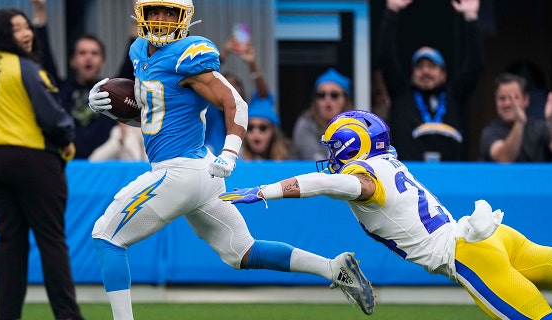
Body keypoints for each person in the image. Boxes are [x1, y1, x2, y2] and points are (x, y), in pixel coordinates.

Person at [86, 1, 375, 319]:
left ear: (185, 18)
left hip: (180, 172)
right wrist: (114, 111)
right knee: (243, 252)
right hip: (200, 175)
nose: (163, 19)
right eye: (156, 10)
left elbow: (235, 102)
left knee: (106, 237)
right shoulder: (140, 51)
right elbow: (157, 119)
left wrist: (230, 151)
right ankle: (334, 268)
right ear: (142, 13)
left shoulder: (188, 54)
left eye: (171, 12)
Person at [220, 109, 552, 320]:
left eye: (332, 148)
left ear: (349, 146)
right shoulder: (388, 162)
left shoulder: (365, 180)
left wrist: (266, 190)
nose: (329, 156)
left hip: (472, 255)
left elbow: (324, 182)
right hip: (495, 236)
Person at [0, 8, 83, 320]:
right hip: (32, 160)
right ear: (3, 35)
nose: (27, 34)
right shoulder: (25, 67)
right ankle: (68, 316)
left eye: (27, 27)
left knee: (9, 242)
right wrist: (67, 135)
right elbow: (53, 116)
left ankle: (6, 315)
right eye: (17, 29)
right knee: (51, 240)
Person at [377, 0, 484, 161]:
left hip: (453, 177)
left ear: (443, 74)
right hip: (407, 177)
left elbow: (475, 65)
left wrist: (471, 18)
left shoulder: (455, 96)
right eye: (420, 67)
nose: (425, 71)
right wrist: (391, 12)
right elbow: (386, 58)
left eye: (432, 66)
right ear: (412, 73)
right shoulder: (401, 94)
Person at [31, 0, 120, 159]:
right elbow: (43, 55)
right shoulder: (60, 89)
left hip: (105, 167)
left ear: (103, 60)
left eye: (94, 53)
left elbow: (131, 63)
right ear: (72, 60)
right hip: (68, 166)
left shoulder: (113, 92)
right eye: (82, 53)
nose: (88, 58)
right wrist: (40, 11)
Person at [479, 73, 552, 162]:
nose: (507, 104)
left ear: (526, 100)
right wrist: (519, 123)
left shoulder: (540, 128)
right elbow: (504, 158)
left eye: (514, 98)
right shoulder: (489, 131)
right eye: (502, 98)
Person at [293, 68, 353, 160]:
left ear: (345, 99)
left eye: (334, 95)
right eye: (321, 95)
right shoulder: (306, 123)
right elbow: (313, 159)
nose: (327, 100)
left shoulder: (355, 125)